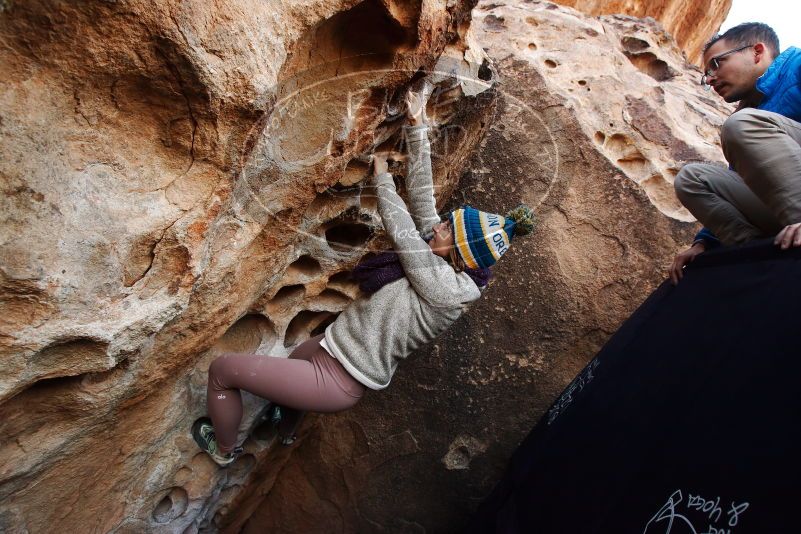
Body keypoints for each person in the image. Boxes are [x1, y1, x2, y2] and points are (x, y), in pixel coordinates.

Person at [192, 87, 536, 466]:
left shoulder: (446, 290)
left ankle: (224, 450)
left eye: (446, 230)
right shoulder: (444, 257)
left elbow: (403, 229)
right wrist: (418, 126)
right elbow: (422, 200)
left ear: (458, 252)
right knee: (293, 363)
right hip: (333, 347)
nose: (438, 227)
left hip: (339, 380)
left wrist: (382, 177)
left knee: (223, 372)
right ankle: (284, 428)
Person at [670, 22, 801, 285]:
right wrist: (705, 243)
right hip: (786, 214)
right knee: (691, 179)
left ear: (757, 52)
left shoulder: (796, 67)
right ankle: (752, 252)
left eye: (716, 64)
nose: (709, 78)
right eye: (705, 73)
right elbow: (747, 180)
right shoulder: (748, 115)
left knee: (742, 125)